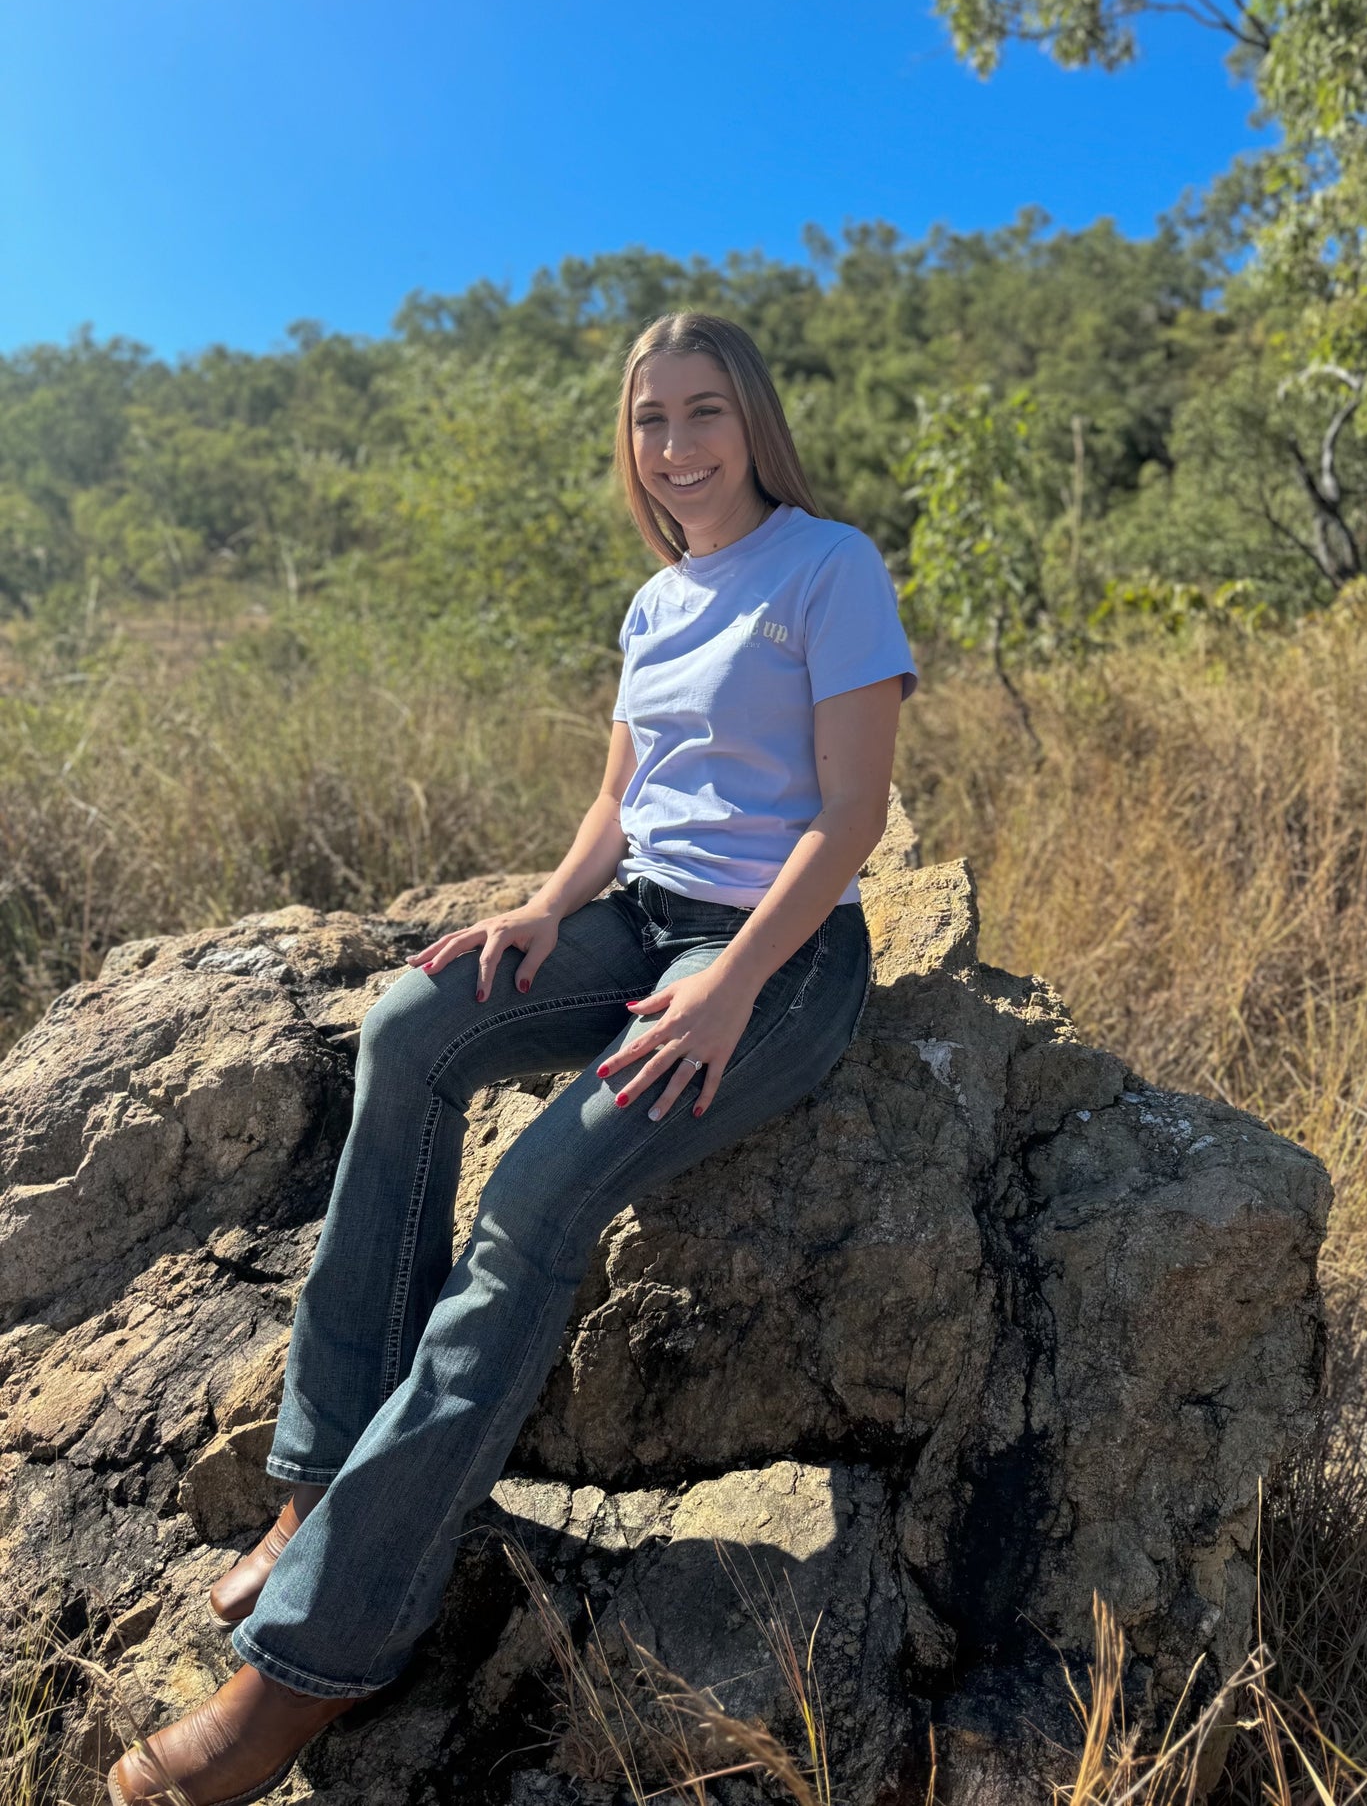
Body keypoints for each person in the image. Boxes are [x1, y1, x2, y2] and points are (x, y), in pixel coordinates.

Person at [107, 311, 919, 1806]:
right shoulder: (656, 600)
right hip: (641, 915)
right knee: (413, 1028)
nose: (674, 446)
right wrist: (549, 909)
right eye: (648, 421)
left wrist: (735, 986)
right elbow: (627, 786)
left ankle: (305, 1672)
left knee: (535, 1203)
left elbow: (853, 814)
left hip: (779, 960)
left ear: (753, 420)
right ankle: (321, 1479)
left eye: (701, 413)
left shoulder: (826, 566)